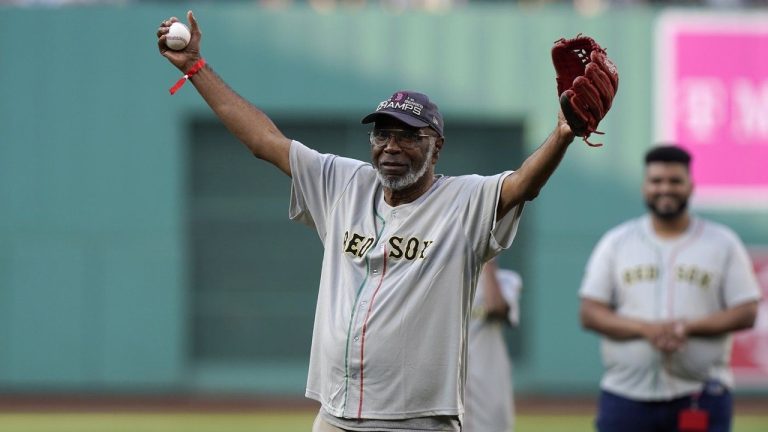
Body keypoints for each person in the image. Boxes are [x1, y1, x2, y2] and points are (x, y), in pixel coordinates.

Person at [157, 11, 576, 432]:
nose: (391, 146)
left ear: (437, 148)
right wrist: (196, 67)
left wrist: (563, 133)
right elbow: (263, 140)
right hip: (335, 414)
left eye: (409, 136)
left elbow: (523, 185)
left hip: (415, 422)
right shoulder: (343, 182)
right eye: (382, 134)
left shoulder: (462, 199)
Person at [578, 145, 761, 432]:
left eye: (675, 181)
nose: (665, 188)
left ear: (691, 186)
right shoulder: (617, 242)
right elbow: (590, 312)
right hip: (625, 394)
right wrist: (645, 329)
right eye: (657, 181)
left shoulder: (723, 242)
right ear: (644, 187)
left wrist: (686, 328)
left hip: (701, 393)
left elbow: (747, 311)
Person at [464, 259, 522, 432]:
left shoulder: (506, 280)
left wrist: (488, 260)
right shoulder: (441, 279)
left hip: (489, 379)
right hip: (449, 379)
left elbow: (496, 307)